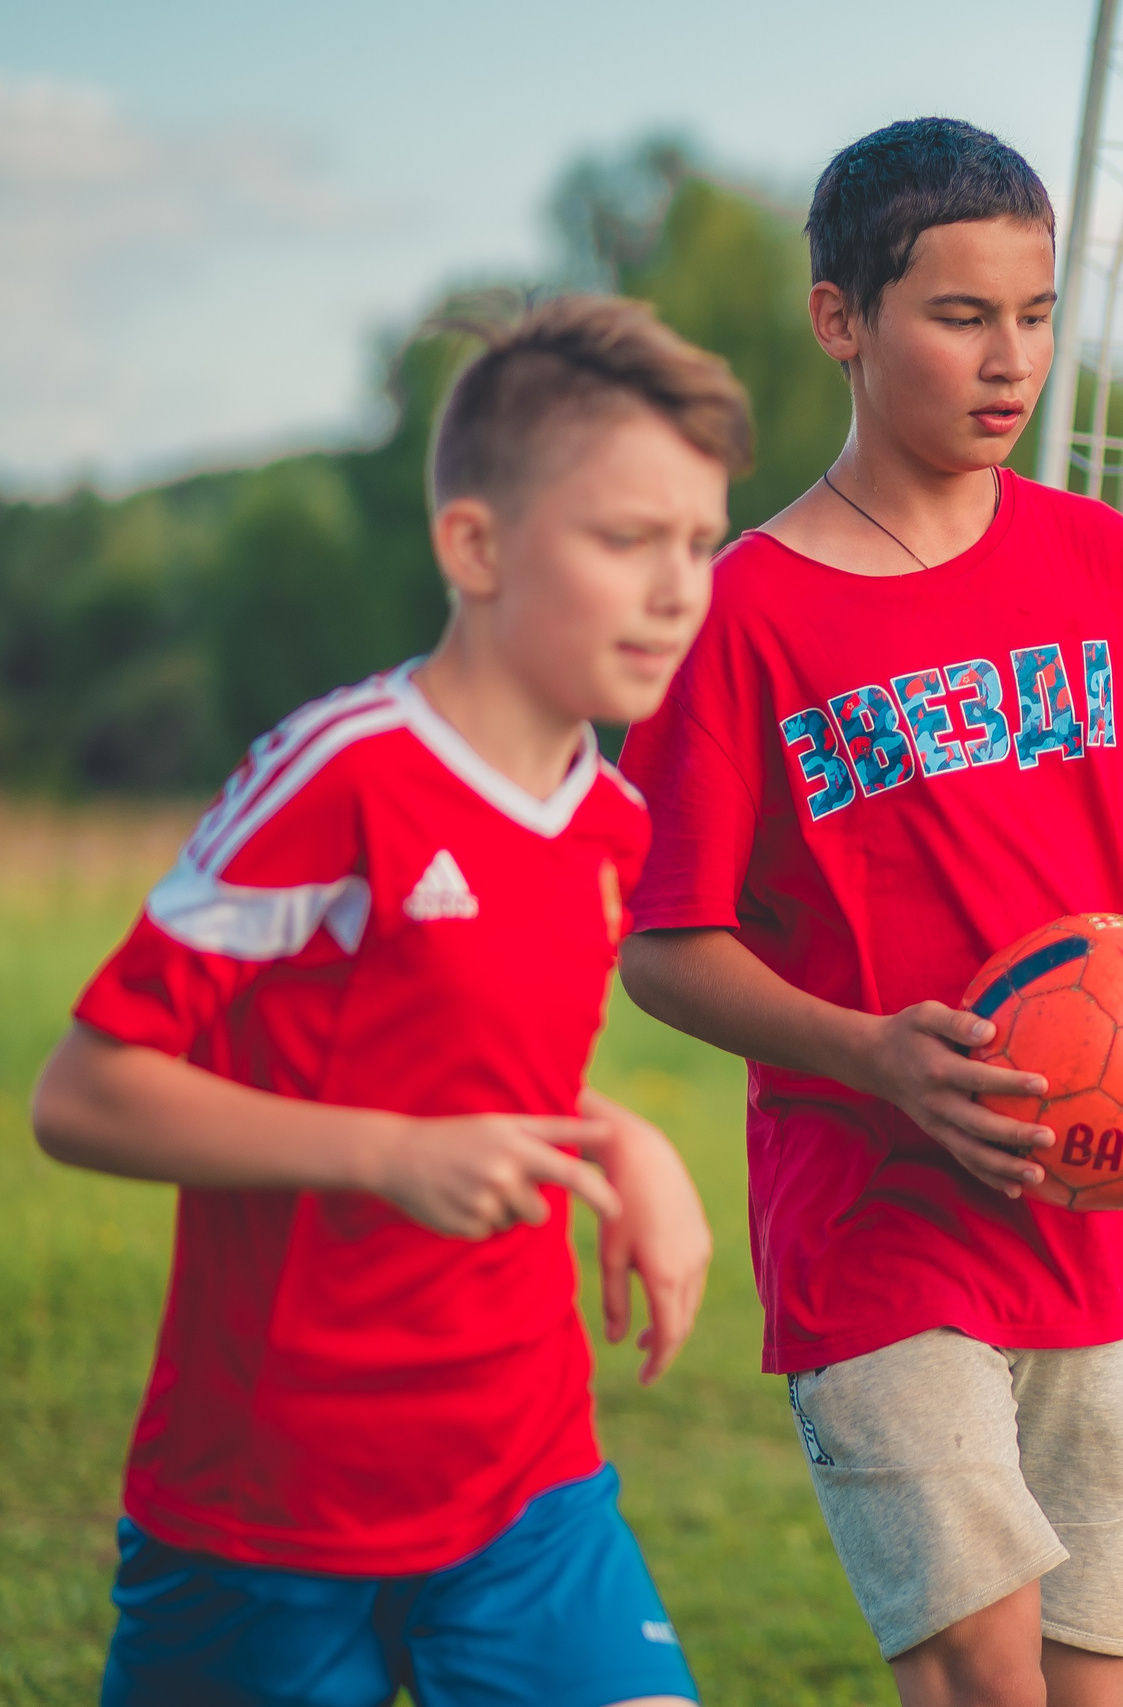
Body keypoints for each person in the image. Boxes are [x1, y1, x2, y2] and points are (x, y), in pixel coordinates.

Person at [613, 117, 1123, 1707]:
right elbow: (662, 945)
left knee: (1083, 1681)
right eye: (961, 315)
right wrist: (873, 1054)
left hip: (1111, 1199)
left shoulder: (1110, 564)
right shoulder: (741, 613)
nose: (1009, 359)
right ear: (841, 317)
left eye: (1034, 314)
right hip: (878, 1212)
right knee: (983, 1673)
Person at [29, 295, 746, 1707]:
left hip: (524, 1476)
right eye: (626, 539)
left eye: (700, 544)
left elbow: (474, 1063)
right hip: (271, 1504)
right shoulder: (340, 773)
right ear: (473, 546)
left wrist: (627, 1142)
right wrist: (385, 1154)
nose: (678, 591)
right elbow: (86, 1092)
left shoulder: (612, 820)